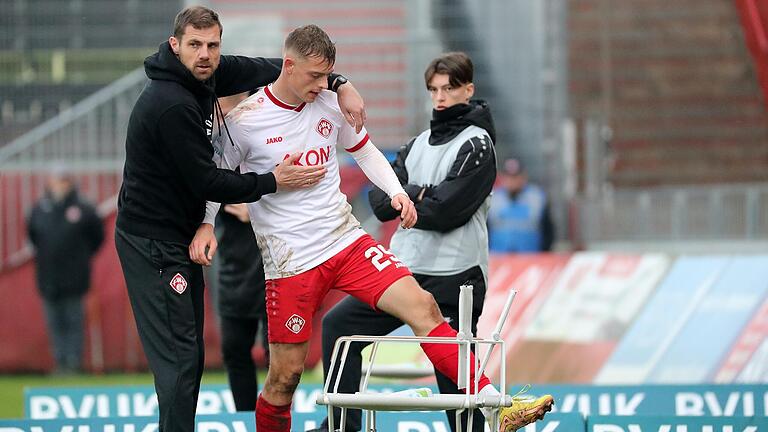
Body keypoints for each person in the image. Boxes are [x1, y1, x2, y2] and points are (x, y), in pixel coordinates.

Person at [195, 25, 553, 432]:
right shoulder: (245, 121)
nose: (321, 85)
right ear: (288, 67)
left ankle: (493, 404)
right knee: (284, 379)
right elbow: (216, 180)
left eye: (327, 76)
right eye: (313, 76)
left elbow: (364, 151)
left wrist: (397, 193)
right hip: (291, 262)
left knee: (424, 307)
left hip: (345, 242)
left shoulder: (330, 103)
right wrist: (207, 225)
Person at [113, 6, 366, 432]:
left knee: (188, 357)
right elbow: (210, 181)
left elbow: (280, 69)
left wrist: (339, 84)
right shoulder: (170, 104)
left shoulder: (209, 74)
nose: (205, 53)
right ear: (175, 46)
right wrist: (273, 180)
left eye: (212, 44)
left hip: (179, 236)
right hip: (152, 242)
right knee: (179, 360)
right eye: (194, 45)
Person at [313, 51, 501, 432]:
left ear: (469, 89)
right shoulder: (418, 143)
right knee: (339, 328)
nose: (440, 97)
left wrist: (408, 194)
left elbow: (451, 210)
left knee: (452, 379)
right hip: (405, 272)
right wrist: (420, 194)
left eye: (449, 89)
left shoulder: (478, 143)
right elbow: (381, 202)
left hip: (455, 274)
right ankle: (342, 426)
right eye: (434, 89)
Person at [27, 167, 104, 374]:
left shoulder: (83, 208)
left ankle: (73, 363)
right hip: (48, 276)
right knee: (54, 323)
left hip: (75, 277)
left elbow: (97, 237)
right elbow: (33, 236)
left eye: (63, 181)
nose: (59, 185)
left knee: (74, 321)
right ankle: (59, 362)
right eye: (56, 180)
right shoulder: (39, 209)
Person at [488, 158, 555, 253]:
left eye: (516, 176)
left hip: (531, 259)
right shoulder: (493, 198)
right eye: (509, 176)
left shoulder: (536, 198)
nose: (512, 181)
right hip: (498, 260)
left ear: (524, 176)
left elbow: (548, 230)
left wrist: (544, 253)